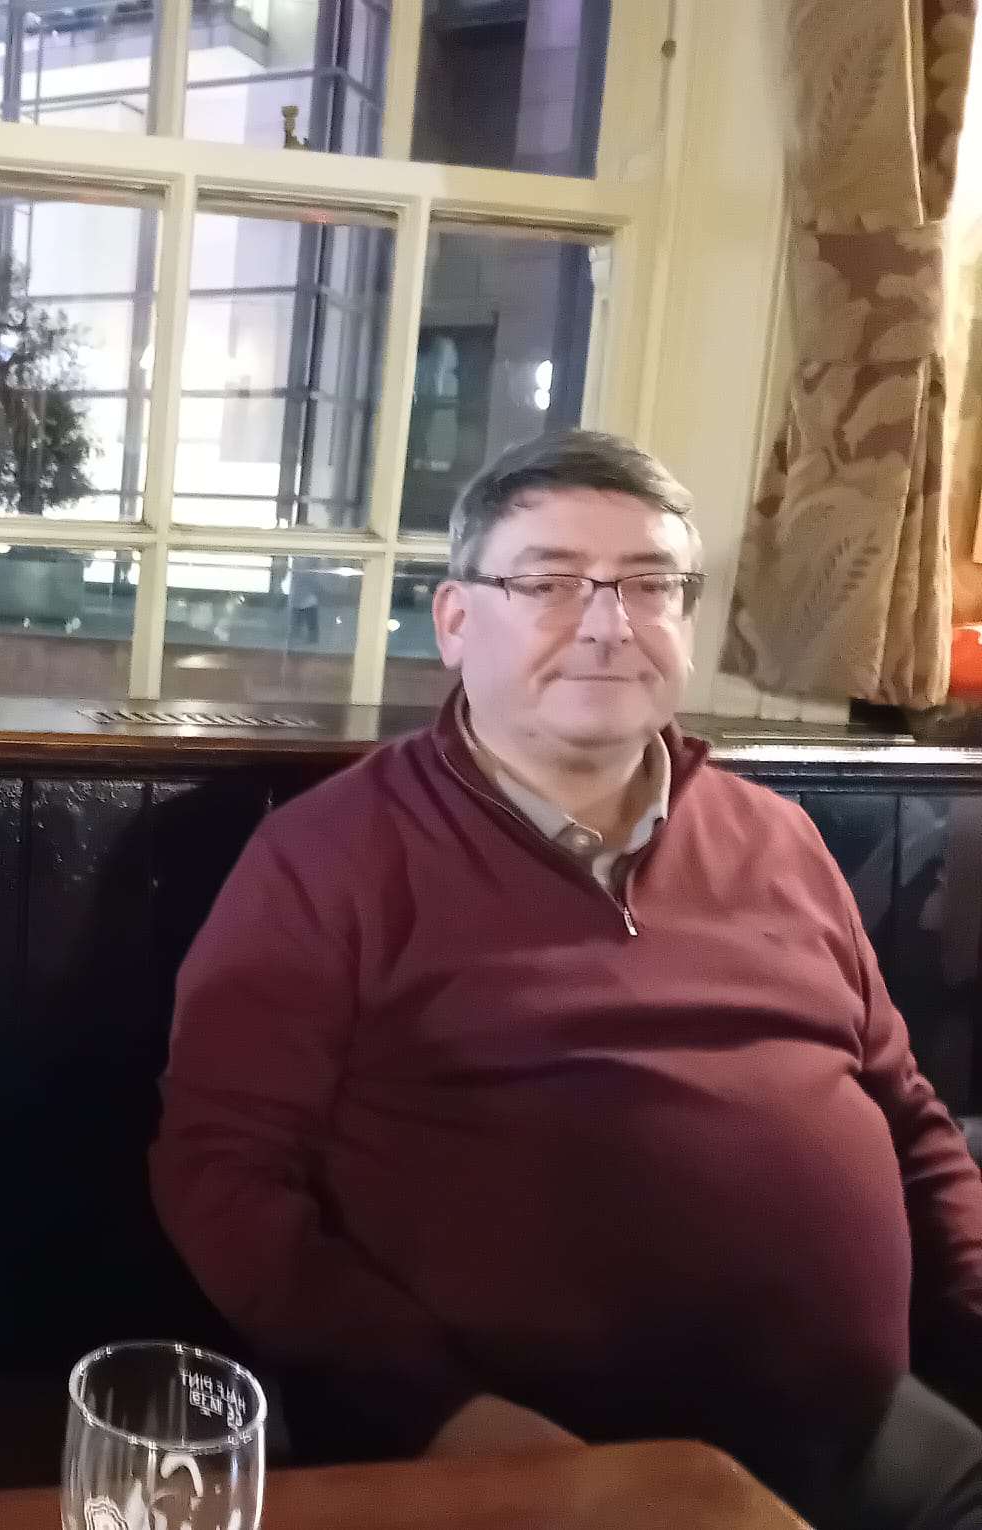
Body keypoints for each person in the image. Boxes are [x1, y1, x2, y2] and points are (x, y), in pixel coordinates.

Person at [151, 429, 982, 1530]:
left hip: (868, 1432)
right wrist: (446, 1417)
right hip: (525, 1464)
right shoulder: (329, 858)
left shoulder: (777, 838)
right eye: (549, 583)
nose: (608, 624)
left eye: (650, 585)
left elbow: (910, 1120)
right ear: (457, 621)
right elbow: (221, 1175)